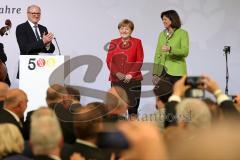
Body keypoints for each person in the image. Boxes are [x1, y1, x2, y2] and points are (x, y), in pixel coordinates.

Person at [106, 19, 144, 116]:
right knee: (116, 108)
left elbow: (139, 60)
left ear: (131, 30)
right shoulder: (113, 42)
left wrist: (131, 74)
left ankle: (133, 129)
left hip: (133, 80)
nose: (124, 31)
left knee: (133, 109)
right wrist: (117, 73)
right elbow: (109, 60)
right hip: (116, 80)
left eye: (126, 29)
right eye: (121, 28)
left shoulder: (137, 42)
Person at [16, 5, 55, 78]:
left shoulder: (43, 28)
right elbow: (24, 48)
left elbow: (51, 50)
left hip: (43, 69)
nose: (36, 16)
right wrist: (43, 41)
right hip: (28, 69)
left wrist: (48, 44)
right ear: (28, 14)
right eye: (33, 13)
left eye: (38, 13)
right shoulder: (21, 28)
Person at [153, 10, 189, 86]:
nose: (163, 21)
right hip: (162, 72)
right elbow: (157, 54)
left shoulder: (183, 33)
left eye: (165, 19)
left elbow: (185, 52)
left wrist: (170, 49)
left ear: (172, 19)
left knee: (176, 96)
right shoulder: (161, 34)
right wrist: (155, 73)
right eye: (162, 19)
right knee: (164, 96)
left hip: (177, 72)